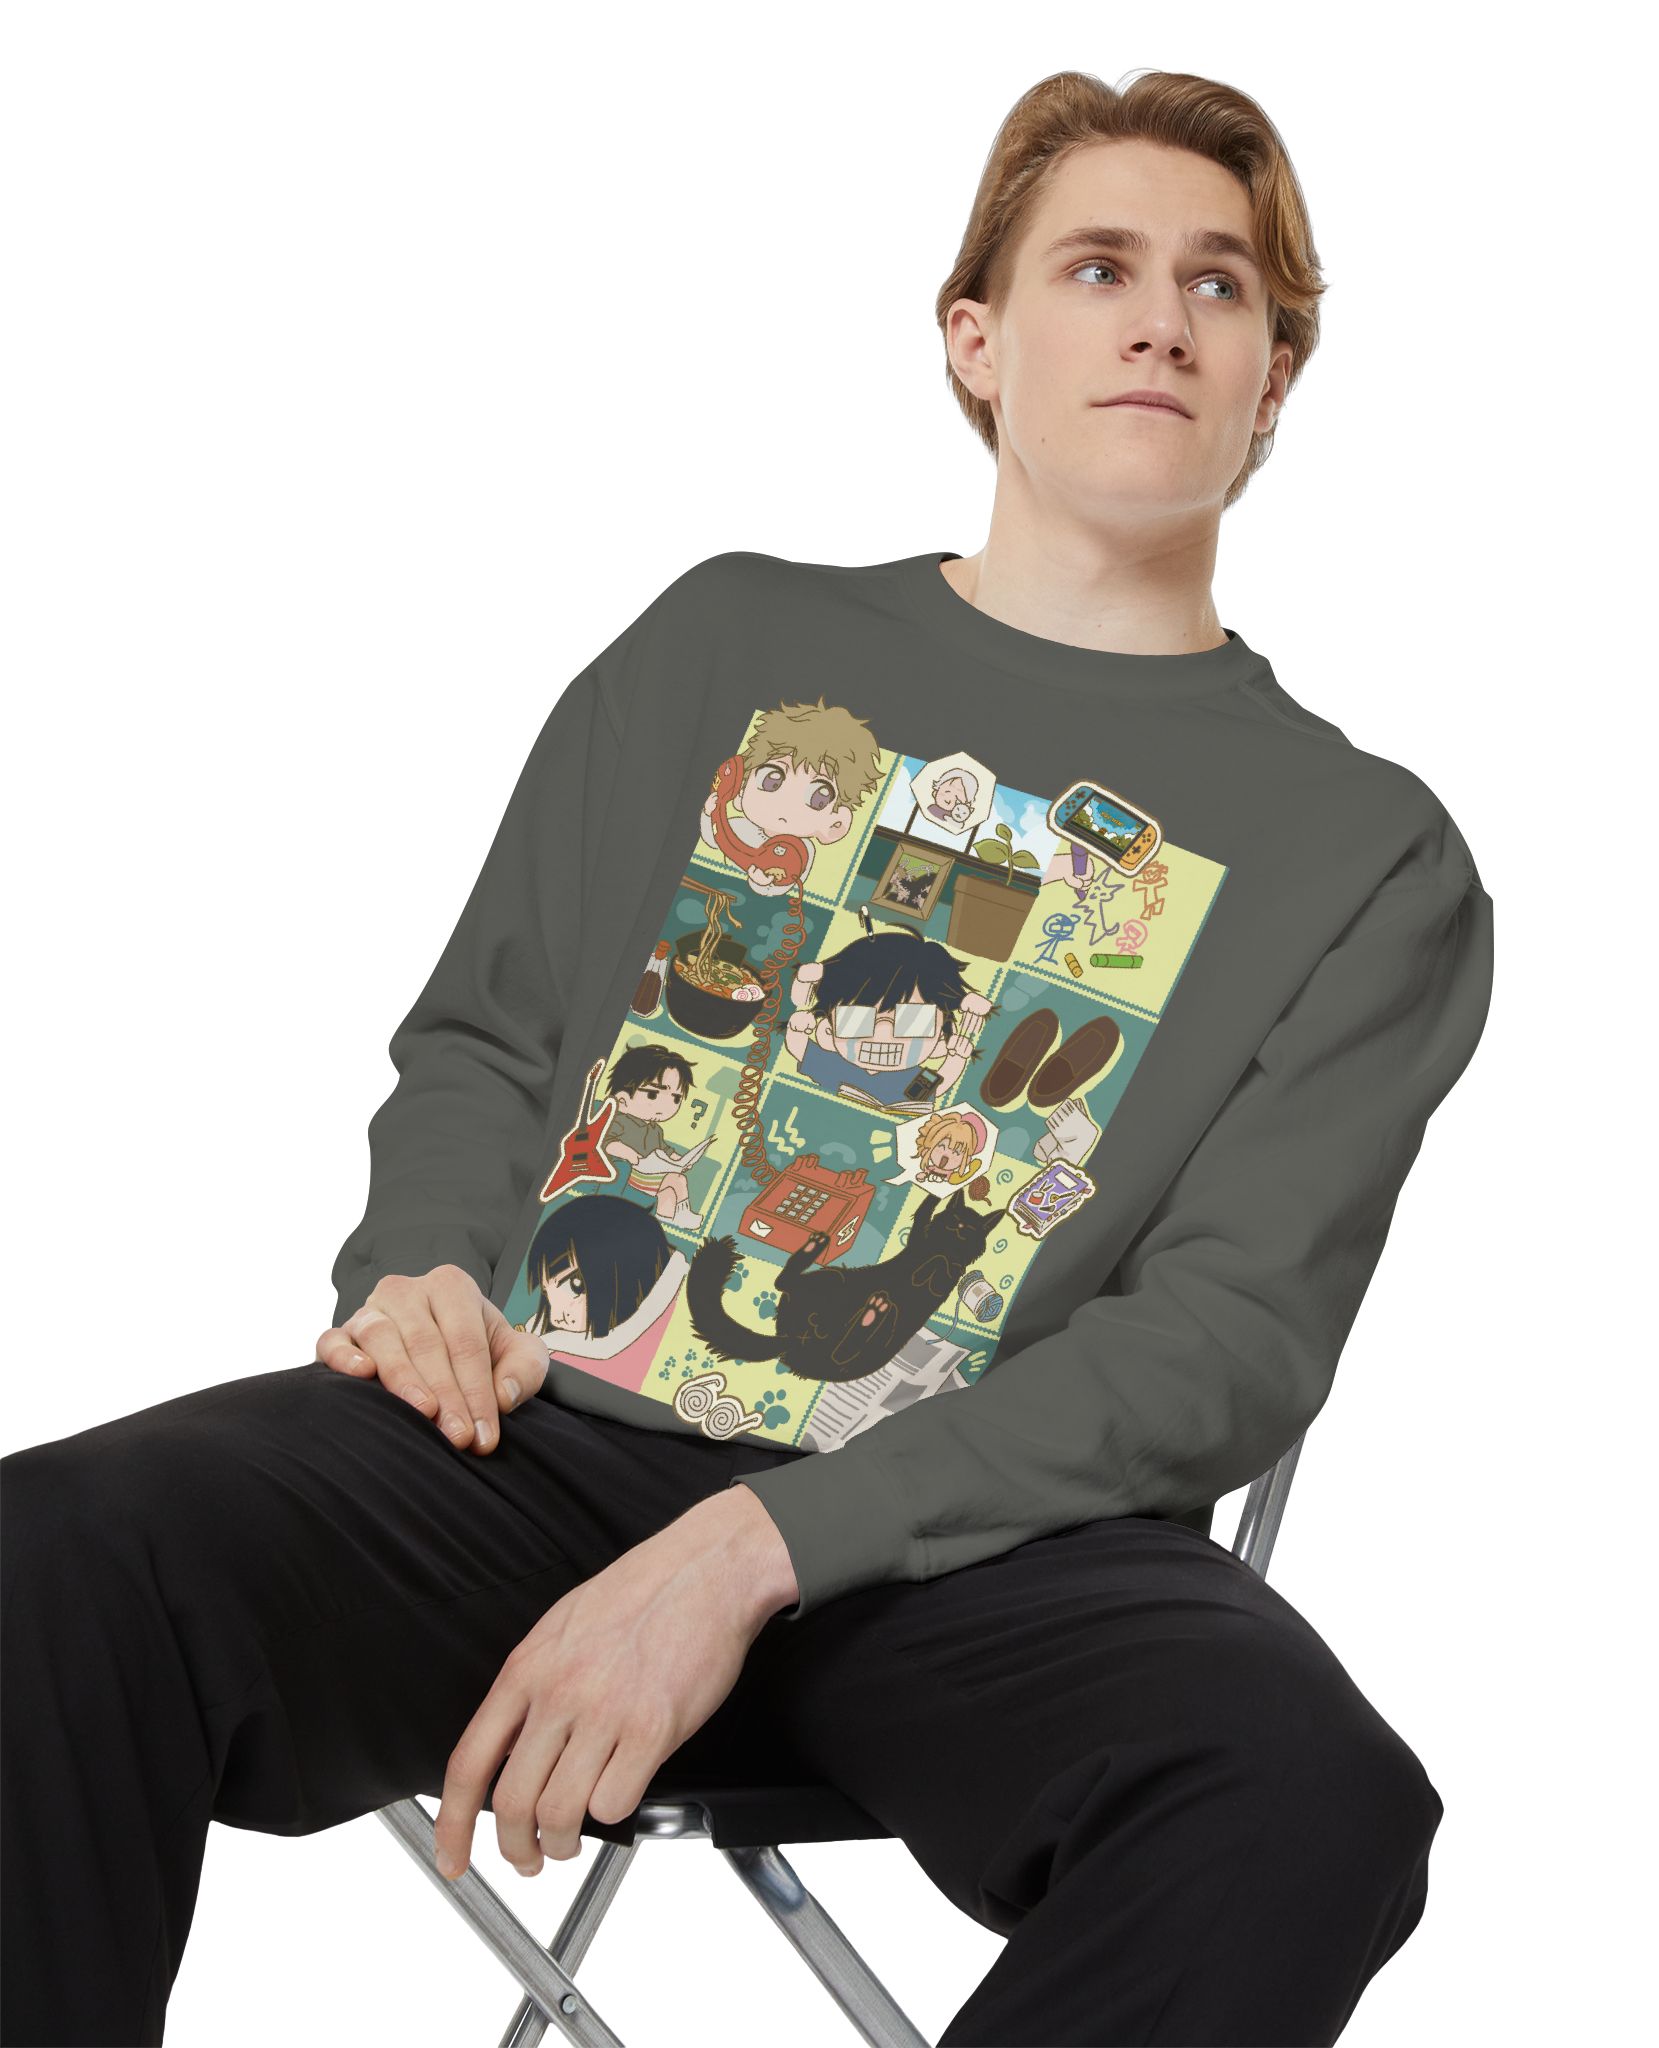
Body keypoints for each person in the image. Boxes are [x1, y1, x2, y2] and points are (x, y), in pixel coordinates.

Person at [0, 66, 1494, 2048]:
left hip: (981, 1549)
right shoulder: (725, 646)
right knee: (48, 1565)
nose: (1160, 320)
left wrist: (756, 1548)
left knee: (1306, 1803)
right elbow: (493, 1033)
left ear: (1273, 378)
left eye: (1220, 286)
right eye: (1098, 266)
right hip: (527, 1449)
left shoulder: (1367, 852)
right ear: (977, 339)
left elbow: (1221, 1342)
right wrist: (420, 1272)